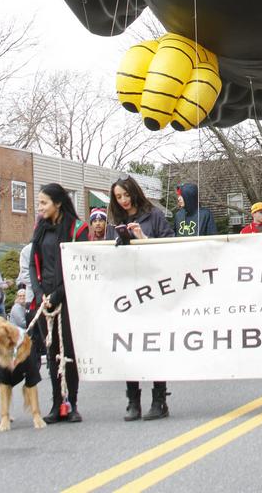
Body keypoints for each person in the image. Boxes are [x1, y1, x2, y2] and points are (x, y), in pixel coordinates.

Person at [107, 175, 174, 421]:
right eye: (118, 197)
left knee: (155, 343)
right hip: (127, 288)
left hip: (154, 287)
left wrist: (144, 239)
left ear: (134, 192)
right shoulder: (116, 220)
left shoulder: (153, 215)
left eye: (126, 195)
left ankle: (159, 399)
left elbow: (171, 244)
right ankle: (132, 400)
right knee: (129, 345)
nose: (123, 201)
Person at [29, 182, 89, 423]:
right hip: (45, 301)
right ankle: (56, 403)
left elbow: (81, 269)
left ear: (58, 203)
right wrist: (38, 291)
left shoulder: (77, 229)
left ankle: (71, 403)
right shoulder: (40, 228)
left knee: (68, 353)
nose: (40, 207)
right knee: (52, 353)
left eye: (44, 202)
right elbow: (33, 263)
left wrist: (57, 295)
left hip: (68, 300)